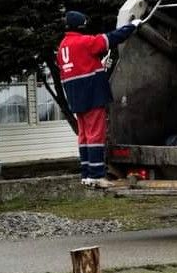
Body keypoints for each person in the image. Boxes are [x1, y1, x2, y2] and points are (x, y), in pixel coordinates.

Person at [57, 11, 141, 188]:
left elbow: (77, 68)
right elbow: (111, 38)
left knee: (84, 136)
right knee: (96, 134)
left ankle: (87, 175)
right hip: (92, 94)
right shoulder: (85, 42)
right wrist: (132, 26)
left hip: (75, 97)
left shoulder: (63, 46)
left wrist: (99, 66)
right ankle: (97, 176)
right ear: (80, 25)